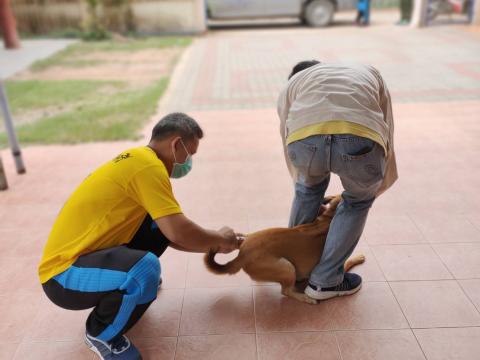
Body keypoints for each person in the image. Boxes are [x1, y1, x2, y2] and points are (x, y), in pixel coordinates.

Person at [38, 112, 242, 359]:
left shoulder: (140, 160)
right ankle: (101, 333)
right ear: (176, 145)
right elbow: (179, 230)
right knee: (144, 269)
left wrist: (216, 245)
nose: (189, 162)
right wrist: (218, 238)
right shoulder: (148, 167)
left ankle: (128, 285)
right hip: (63, 277)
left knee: (155, 227)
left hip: (84, 259)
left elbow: (169, 233)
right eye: (190, 154)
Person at [277, 61, 398, 301]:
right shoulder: (368, 71)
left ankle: (293, 268)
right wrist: (378, 183)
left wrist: (301, 181)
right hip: (360, 133)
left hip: (304, 138)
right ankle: (325, 282)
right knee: (356, 203)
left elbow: (285, 129)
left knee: (307, 192)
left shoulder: (294, 83)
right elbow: (386, 125)